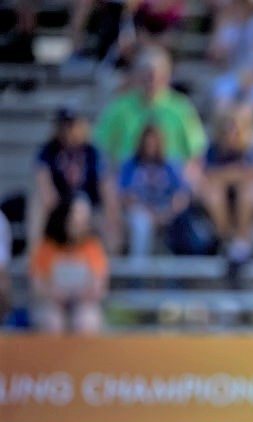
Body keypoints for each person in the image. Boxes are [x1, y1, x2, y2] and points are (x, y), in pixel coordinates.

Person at [92, 46, 207, 184]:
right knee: (107, 182)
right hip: (128, 178)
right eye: (146, 74)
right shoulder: (119, 107)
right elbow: (101, 145)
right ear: (137, 75)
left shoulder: (181, 107)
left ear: (167, 76)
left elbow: (196, 151)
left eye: (157, 74)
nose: (151, 79)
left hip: (170, 180)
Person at [30, 106, 122, 253]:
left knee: (103, 200)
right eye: (63, 126)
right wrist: (62, 209)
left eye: (71, 125)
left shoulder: (92, 151)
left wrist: (111, 210)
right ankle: (35, 256)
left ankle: (111, 259)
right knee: (37, 202)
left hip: (89, 206)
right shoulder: (48, 150)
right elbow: (43, 179)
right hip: (58, 206)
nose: (67, 130)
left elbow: (104, 183)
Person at [29, 195, 109, 334]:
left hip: (83, 302)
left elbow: (99, 285)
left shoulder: (92, 246)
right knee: (52, 322)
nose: (83, 220)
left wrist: (79, 294)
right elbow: (38, 285)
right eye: (78, 215)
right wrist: (55, 293)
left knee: (87, 321)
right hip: (52, 302)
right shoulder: (46, 246)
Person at [199, 105, 253, 284]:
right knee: (214, 193)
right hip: (217, 209)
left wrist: (224, 175)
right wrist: (235, 174)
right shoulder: (212, 149)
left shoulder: (248, 148)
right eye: (228, 126)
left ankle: (240, 246)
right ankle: (228, 242)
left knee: (247, 191)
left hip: (245, 207)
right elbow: (207, 176)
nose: (231, 131)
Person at [118, 122, 195, 258]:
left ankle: (176, 274)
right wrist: (150, 214)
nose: (150, 147)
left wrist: (168, 213)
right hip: (138, 211)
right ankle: (138, 273)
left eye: (154, 143)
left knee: (182, 221)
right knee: (141, 223)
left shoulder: (170, 164)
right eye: (147, 143)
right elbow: (125, 196)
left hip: (165, 212)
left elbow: (182, 194)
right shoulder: (130, 164)